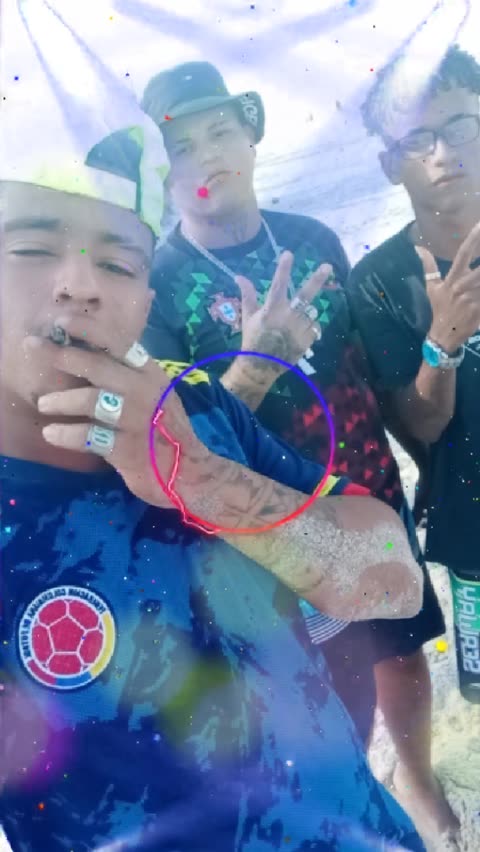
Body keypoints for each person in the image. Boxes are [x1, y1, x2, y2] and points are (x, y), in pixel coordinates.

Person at [0, 11, 427, 852]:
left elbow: (392, 585)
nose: (81, 285)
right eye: (31, 248)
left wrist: (202, 481)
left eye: (117, 261)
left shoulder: (194, 406)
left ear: (143, 297)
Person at [141, 60, 447, 839]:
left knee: (403, 648)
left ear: (251, 138)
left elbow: (363, 369)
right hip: (273, 529)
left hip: (366, 491)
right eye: (182, 147)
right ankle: (348, 809)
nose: (208, 156)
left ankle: (414, 777)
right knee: (320, 683)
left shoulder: (312, 238)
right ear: (164, 173)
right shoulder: (156, 286)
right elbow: (176, 447)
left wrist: (422, 464)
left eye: (221, 131)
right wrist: (253, 366)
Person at [346, 42, 480, 845]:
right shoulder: (377, 279)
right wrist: (445, 341)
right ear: (391, 164)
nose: (443, 153)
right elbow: (417, 427)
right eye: (416, 140)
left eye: (460, 125)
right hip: (471, 521)